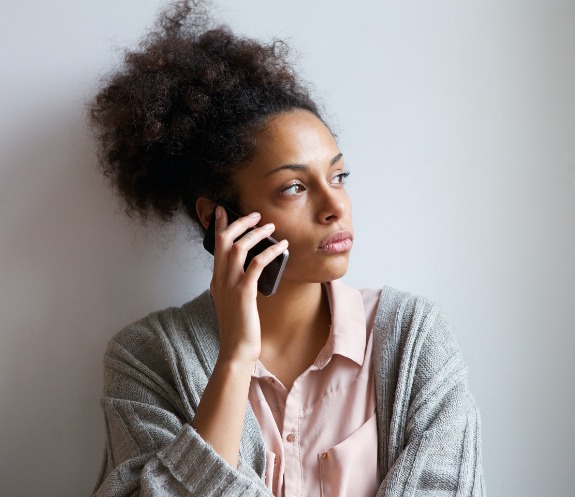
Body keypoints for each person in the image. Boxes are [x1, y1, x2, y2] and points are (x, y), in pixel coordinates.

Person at [88, 1, 485, 496]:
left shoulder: (413, 340)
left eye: (338, 176)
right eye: (294, 187)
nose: (334, 206)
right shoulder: (146, 357)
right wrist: (235, 358)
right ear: (219, 216)